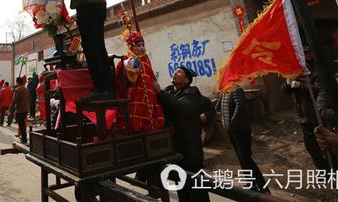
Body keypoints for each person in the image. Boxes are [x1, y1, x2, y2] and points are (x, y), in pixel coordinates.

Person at [153, 67, 209, 202]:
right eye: (175, 71)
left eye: (179, 72)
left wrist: (159, 92)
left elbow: (181, 108)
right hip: (176, 150)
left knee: (197, 191)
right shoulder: (170, 91)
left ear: (186, 80)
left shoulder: (191, 93)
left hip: (190, 151)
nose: (175, 73)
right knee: (182, 189)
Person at [220, 85, 268, 193]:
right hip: (231, 130)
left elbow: (240, 108)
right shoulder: (225, 90)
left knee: (246, 158)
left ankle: (263, 186)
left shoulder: (236, 89)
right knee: (241, 158)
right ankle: (251, 183)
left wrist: (232, 122)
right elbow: (222, 108)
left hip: (240, 130)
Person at [281, 58, 328, 170]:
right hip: (303, 116)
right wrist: (287, 83)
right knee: (311, 146)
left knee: (325, 143)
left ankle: (332, 167)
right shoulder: (295, 77)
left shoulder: (315, 75)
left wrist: (301, 86)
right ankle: (322, 169)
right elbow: (285, 92)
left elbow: (320, 90)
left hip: (316, 115)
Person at [115, 31, 164, 132]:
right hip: (133, 99)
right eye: (138, 45)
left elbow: (153, 79)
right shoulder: (125, 61)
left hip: (149, 100)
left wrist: (162, 95)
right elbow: (120, 81)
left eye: (143, 45)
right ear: (131, 47)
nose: (142, 48)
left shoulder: (146, 60)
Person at [10, 77, 30, 143]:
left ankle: (24, 138)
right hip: (26, 108)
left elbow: (14, 100)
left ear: (17, 82)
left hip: (20, 109)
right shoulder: (25, 89)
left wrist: (10, 109)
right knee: (23, 124)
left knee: (21, 125)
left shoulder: (17, 90)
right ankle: (23, 137)